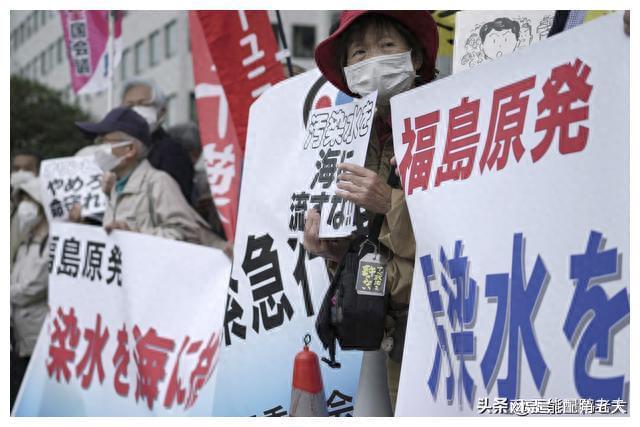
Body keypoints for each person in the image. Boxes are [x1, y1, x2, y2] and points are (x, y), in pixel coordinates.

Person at [309, 10, 438, 411]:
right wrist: (332, 251)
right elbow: (367, 248)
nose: (371, 61)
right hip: (383, 329)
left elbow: (463, 229)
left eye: (386, 47)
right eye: (359, 53)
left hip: (441, 323)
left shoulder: (452, 117)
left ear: (414, 58)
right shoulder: (355, 139)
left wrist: (389, 202)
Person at [75, 107, 223, 248]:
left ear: (130, 149)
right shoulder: (114, 187)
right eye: (98, 142)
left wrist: (136, 235)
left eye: (105, 142)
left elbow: (185, 233)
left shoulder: (158, 182)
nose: (99, 148)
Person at [120, 78, 195, 203]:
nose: (136, 110)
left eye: (144, 104)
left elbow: (175, 203)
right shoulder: (118, 149)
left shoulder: (172, 152)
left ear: (161, 112)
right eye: (130, 105)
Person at [10, 175, 49, 409]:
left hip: (39, 334)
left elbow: (32, 288)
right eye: (21, 199)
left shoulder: (51, 241)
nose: (25, 206)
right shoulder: (26, 240)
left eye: (30, 200)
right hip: (21, 335)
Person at [168, 122, 226, 240]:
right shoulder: (164, 179)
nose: (194, 161)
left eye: (197, 154)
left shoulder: (207, 180)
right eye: (191, 155)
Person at [10, 151, 42, 267]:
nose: (21, 173)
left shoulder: (46, 214)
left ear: (38, 172)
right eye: (16, 169)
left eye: (27, 169)